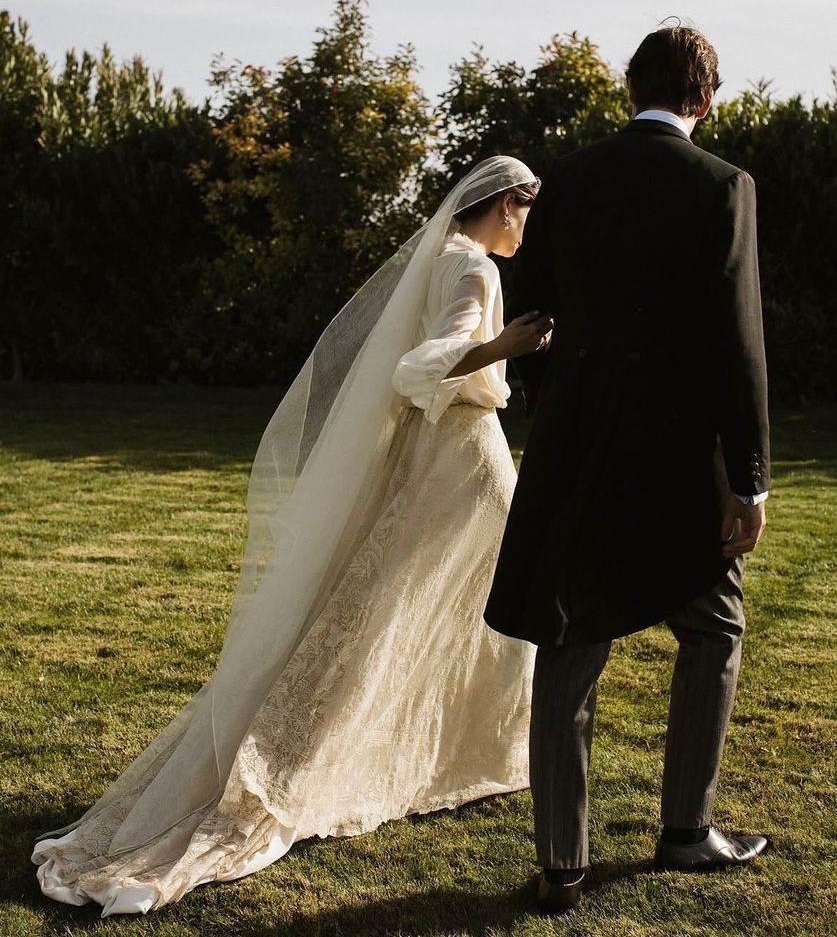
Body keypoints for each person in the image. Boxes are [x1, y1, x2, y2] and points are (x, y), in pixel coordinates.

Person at [32, 156, 553, 916]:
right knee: (462, 594)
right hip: (463, 453)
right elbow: (421, 367)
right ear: (506, 204)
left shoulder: (438, 258)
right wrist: (505, 347)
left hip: (432, 450)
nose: (525, 228)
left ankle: (466, 746)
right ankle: (466, 749)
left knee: (416, 599)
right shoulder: (470, 269)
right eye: (525, 212)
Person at [484, 26, 771, 915]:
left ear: (627, 90)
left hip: (575, 448)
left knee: (568, 645)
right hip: (680, 463)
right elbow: (737, 340)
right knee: (714, 626)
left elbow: (527, 313)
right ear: (706, 99)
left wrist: (554, 401)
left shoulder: (561, 181)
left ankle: (560, 869)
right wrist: (748, 477)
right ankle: (684, 833)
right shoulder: (725, 185)